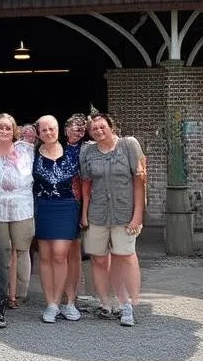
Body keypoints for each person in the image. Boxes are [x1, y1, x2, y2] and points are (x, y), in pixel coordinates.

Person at [79, 113, 146, 327]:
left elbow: (140, 181)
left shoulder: (128, 145)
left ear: (111, 127)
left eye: (102, 127)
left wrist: (138, 215)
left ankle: (128, 305)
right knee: (98, 259)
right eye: (94, 129)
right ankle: (105, 303)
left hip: (124, 213)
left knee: (124, 256)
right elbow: (86, 186)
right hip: (97, 214)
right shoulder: (87, 151)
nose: (98, 131)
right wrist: (84, 214)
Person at [0, 112, 35, 328]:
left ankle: (18, 294)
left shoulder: (26, 149)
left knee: (21, 251)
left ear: (14, 130)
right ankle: (0, 301)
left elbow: (25, 177)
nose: (3, 131)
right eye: (0, 127)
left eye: (7, 128)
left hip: (22, 207)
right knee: (0, 255)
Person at [33, 114, 82, 323]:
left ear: (58, 129)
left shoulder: (73, 151)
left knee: (60, 254)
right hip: (42, 207)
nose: (48, 133)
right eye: (43, 130)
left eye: (51, 128)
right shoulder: (32, 153)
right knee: (44, 256)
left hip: (66, 206)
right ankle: (51, 304)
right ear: (38, 133)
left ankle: (67, 301)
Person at [61, 113, 89, 306]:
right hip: (60, 202)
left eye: (81, 127)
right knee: (61, 250)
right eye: (74, 126)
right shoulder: (57, 148)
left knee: (75, 250)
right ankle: (63, 291)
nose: (78, 129)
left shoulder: (88, 149)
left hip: (79, 201)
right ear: (65, 130)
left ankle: (76, 292)